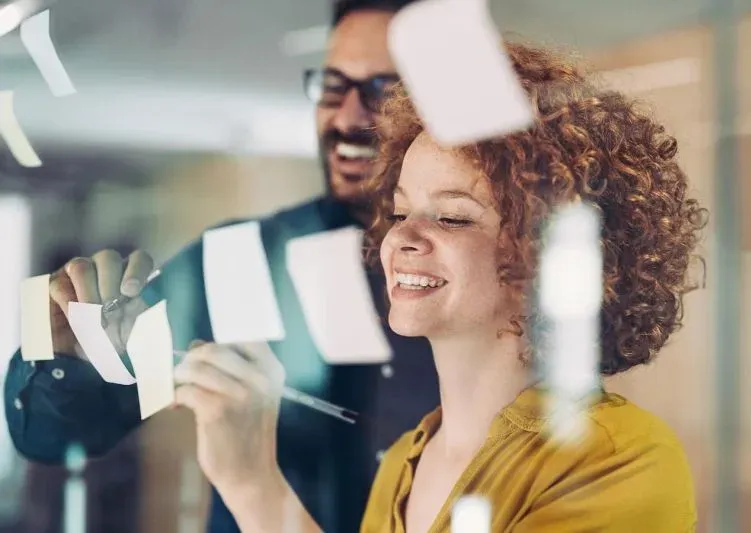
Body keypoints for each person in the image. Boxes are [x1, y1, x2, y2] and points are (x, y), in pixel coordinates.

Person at [171, 42, 706, 532]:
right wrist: (246, 478)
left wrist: (255, 487)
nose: (401, 238)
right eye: (400, 211)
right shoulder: (403, 462)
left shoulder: (618, 459)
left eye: (452, 217)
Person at [3, 2, 438, 533]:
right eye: (333, 86)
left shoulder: (501, 276)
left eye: (382, 89)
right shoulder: (241, 261)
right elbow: (55, 434)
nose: (348, 118)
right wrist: (66, 359)